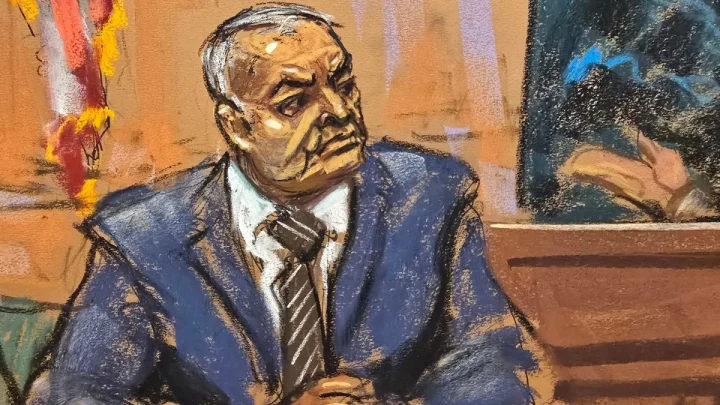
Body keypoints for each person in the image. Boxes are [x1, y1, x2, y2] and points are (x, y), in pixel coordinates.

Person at [27, 4, 535, 404]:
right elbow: (75, 394)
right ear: (236, 127)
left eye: (343, 84)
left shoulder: (430, 199)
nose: (340, 112)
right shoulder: (146, 239)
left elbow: (495, 362)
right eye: (294, 102)